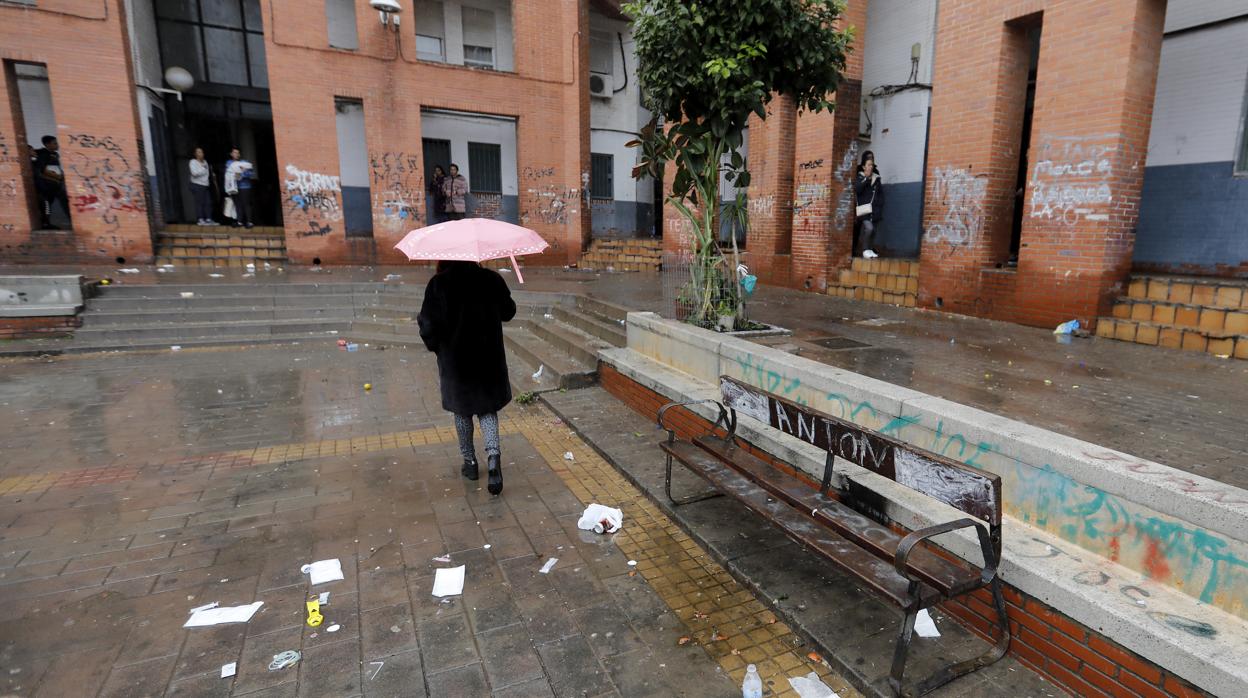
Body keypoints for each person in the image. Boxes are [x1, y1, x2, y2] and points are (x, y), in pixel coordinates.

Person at [418, 260, 517, 495]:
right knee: (487, 409)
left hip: (456, 361)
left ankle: (470, 463)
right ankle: (493, 458)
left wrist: (436, 346)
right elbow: (508, 311)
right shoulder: (491, 279)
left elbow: (428, 326)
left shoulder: (438, 284)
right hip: (488, 359)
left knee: (462, 411)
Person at [32, 136, 68, 230]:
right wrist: (43, 185)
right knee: (46, 206)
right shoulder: (43, 155)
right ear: (47, 144)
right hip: (46, 187)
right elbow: (39, 171)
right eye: (54, 143)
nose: (57, 145)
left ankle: (47, 223)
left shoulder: (54, 155)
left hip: (55, 185)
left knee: (59, 203)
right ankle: (45, 224)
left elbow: (55, 169)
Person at [854, 150, 884, 258]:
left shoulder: (877, 178)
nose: (870, 167)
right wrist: (866, 178)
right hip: (864, 210)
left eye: (872, 165)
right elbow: (857, 189)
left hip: (875, 209)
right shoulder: (860, 177)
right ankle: (865, 249)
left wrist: (880, 206)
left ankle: (870, 250)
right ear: (863, 166)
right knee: (869, 228)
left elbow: (880, 194)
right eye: (868, 165)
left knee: (873, 231)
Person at [224, 147, 255, 228]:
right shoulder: (229, 162)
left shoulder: (245, 162)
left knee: (246, 204)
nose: (236, 154)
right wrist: (241, 171)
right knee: (238, 204)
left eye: (238, 153)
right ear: (231, 154)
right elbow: (228, 173)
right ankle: (239, 222)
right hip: (234, 187)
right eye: (234, 152)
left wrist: (242, 174)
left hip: (245, 186)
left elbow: (251, 173)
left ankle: (249, 222)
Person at [188, 147, 217, 226]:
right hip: (197, 184)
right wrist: (203, 169)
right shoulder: (193, 162)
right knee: (200, 202)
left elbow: (207, 174)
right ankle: (200, 219)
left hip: (205, 185)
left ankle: (208, 219)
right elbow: (194, 173)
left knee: (208, 202)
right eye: (198, 152)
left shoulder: (205, 162)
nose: (201, 154)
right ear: (195, 154)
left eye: (202, 152)